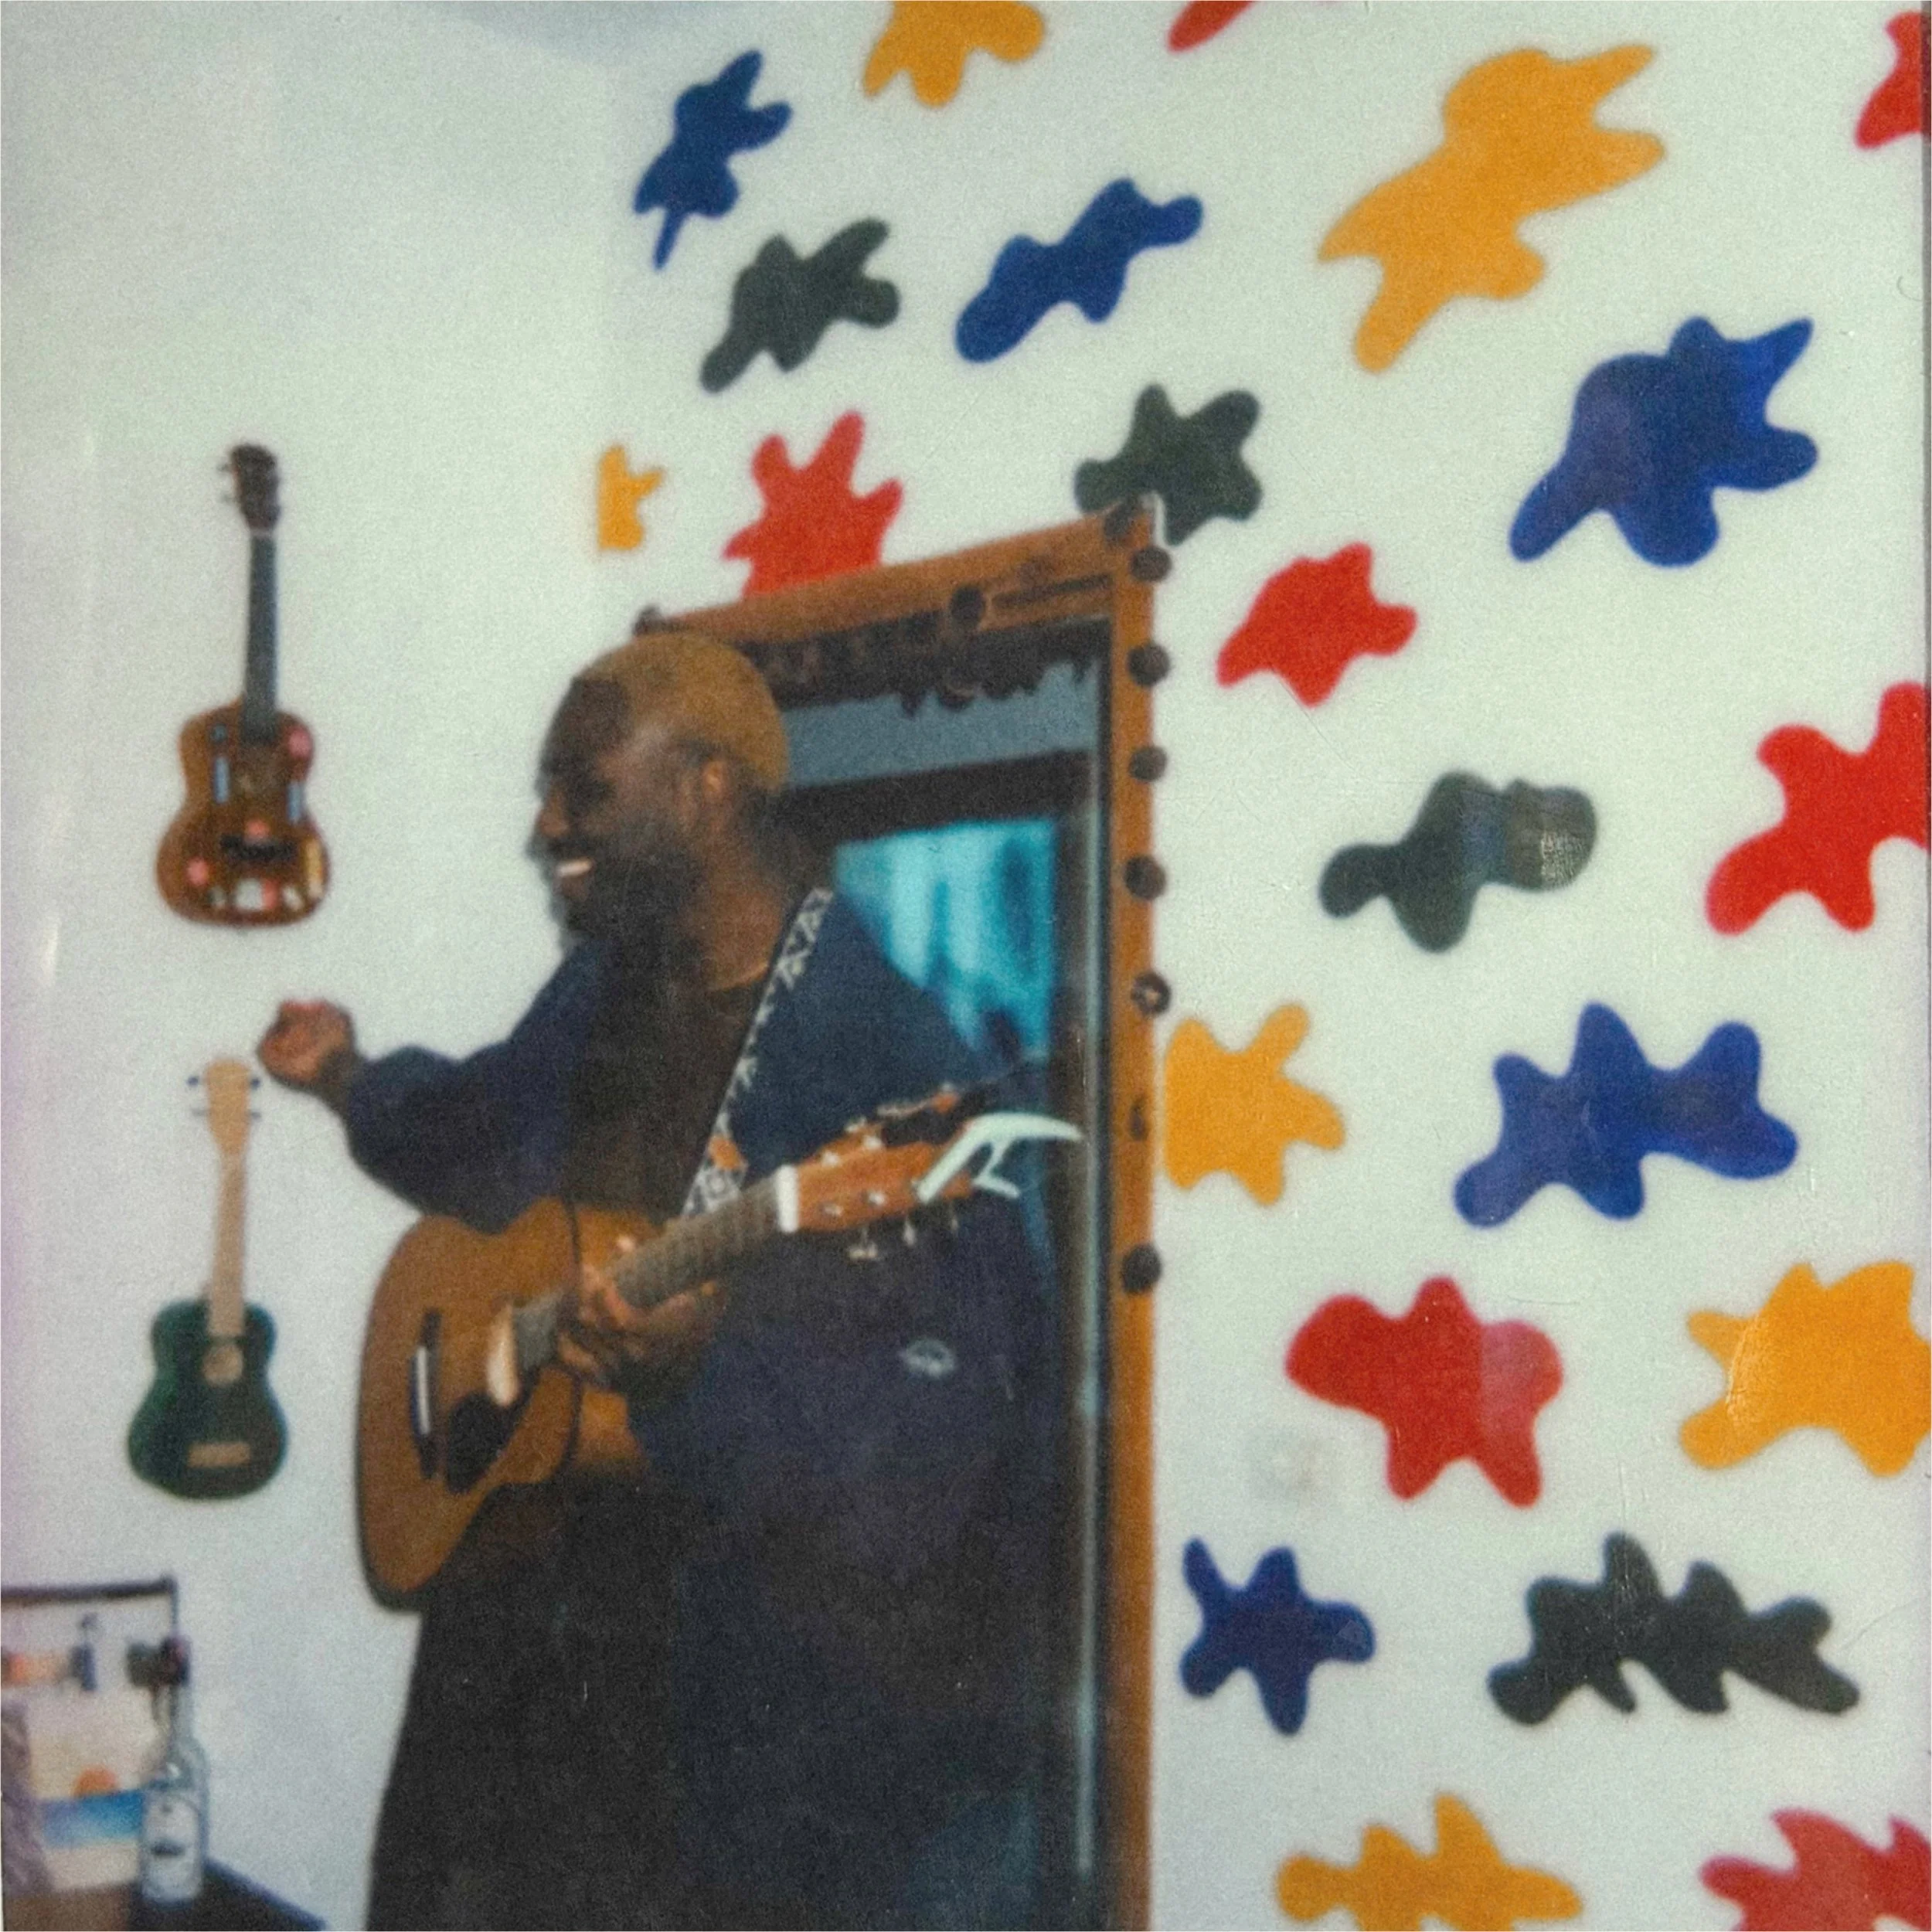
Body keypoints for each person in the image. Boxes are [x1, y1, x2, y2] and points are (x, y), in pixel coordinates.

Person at [260, 631, 1053, 1930]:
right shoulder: (608, 989)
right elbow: (480, 1140)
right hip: (517, 1655)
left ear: (707, 788)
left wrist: (706, 1371)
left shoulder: (891, 1062)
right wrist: (349, 1074)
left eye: (584, 787)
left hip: (732, 1730)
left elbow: (943, 1447)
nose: (546, 825)